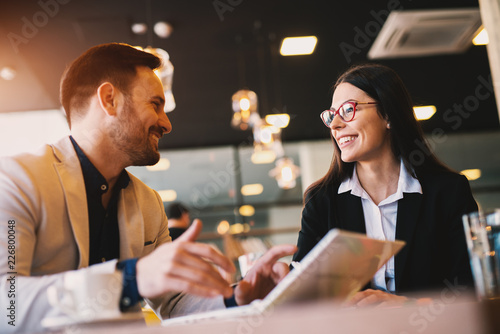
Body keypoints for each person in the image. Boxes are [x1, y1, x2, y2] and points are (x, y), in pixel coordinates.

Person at [0, 43, 296, 333]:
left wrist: (236, 298)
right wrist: (131, 279)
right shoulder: (16, 180)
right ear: (109, 100)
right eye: (156, 104)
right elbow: (6, 305)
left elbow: (175, 301)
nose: (166, 124)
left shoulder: (148, 202)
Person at [292, 63, 477, 307]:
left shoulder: (448, 192)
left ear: (389, 114)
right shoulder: (321, 201)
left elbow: (472, 287)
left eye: (348, 110)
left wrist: (406, 307)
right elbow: (302, 298)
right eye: (331, 115)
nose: (335, 125)